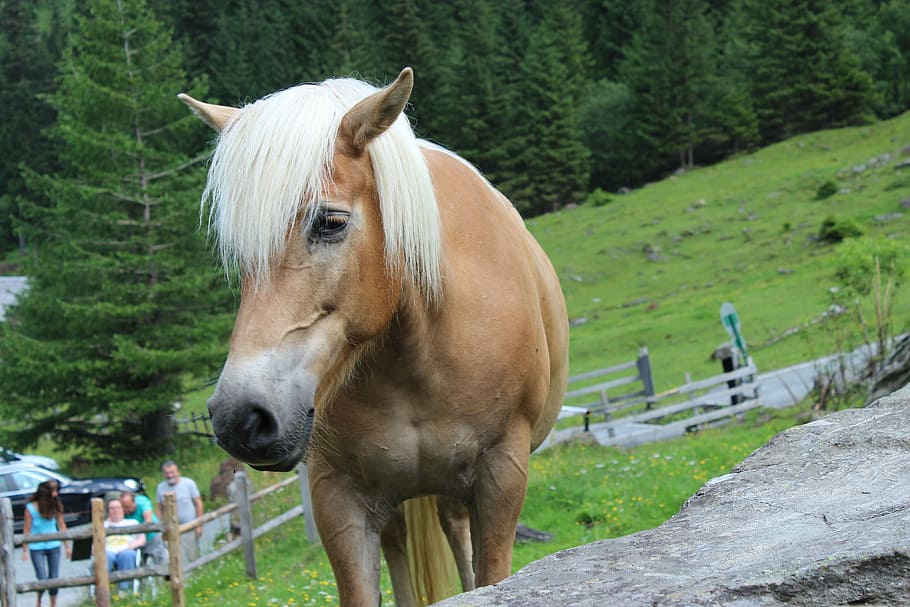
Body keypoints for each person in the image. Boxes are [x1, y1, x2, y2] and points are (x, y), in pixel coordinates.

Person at [21, 480, 71, 607]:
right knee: (42, 577)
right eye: (53, 491)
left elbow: (61, 524)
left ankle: (53, 604)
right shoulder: (31, 508)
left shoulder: (56, 505)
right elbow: (27, 529)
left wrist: (67, 546)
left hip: (53, 545)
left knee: (54, 578)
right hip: (36, 547)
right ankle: (39, 601)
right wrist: (25, 549)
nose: (55, 494)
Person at [155, 460, 204, 564]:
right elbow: (159, 508)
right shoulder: (160, 487)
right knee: (172, 558)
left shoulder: (189, 483)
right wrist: (159, 527)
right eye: (167, 473)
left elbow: (198, 503)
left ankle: (197, 574)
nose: (170, 475)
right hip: (170, 528)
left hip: (189, 526)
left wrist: (199, 524)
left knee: (192, 555)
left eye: (172, 472)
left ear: (178, 472)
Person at [103, 499, 146, 593]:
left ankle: (124, 590)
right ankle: (103, 589)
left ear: (122, 509)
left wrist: (132, 546)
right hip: (108, 551)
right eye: (112, 508)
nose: (115, 511)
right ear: (108, 511)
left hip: (127, 549)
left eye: (118, 508)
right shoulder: (103, 525)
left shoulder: (132, 522)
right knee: (105, 556)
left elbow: (142, 539)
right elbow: (94, 544)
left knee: (126, 555)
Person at [119, 490, 167, 565]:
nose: (125, 510)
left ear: (134, 502)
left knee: (158, 557)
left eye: (128, 507)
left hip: (151, 534)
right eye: (123, 507)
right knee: (140, 561)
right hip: (135, 538)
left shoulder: (142, 502)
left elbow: (148, 521)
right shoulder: (122, 509)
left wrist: (142, 537)